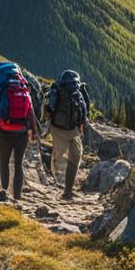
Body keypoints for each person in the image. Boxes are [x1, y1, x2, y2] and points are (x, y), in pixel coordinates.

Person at [0, 62, 40, 203]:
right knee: (18, 164)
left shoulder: (0, 87)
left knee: (4, 161)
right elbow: (31, 110)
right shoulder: (23, 85)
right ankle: (17, 198)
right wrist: (34, 130)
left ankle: (4, 192)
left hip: (5, 129)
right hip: (22, 131)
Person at [44, 70, 91, 200]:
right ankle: (67, 189)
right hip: (73, 129)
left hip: (57, 129)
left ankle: (63, 187)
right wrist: (82, 126)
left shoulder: (57, 90)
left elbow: (49, 108)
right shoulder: (78, 91)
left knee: (60, 157)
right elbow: (84, 109)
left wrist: (47, 123)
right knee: (74, 158)